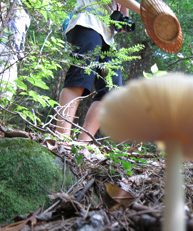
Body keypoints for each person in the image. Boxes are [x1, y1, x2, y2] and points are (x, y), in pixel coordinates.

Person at [55, 0, 141, 143]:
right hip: (86, 22)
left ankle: (82, 145)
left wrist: (124, 19)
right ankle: (61, 138)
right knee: (81, 74)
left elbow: (123, 25)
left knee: (111, 91)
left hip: (107, 36)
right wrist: (146, 11)